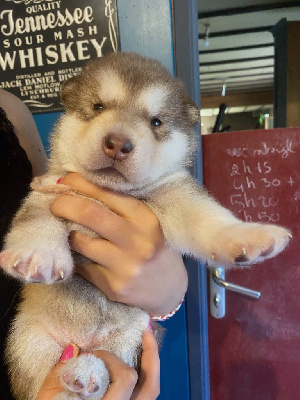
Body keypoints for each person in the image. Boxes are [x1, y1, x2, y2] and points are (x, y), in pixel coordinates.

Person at [0, 89, 188, 399]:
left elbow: (46, 200)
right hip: (35, 351)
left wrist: (169, 293)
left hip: (96, 349)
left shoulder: (10, 110)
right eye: (98, 107)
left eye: (153, 121)